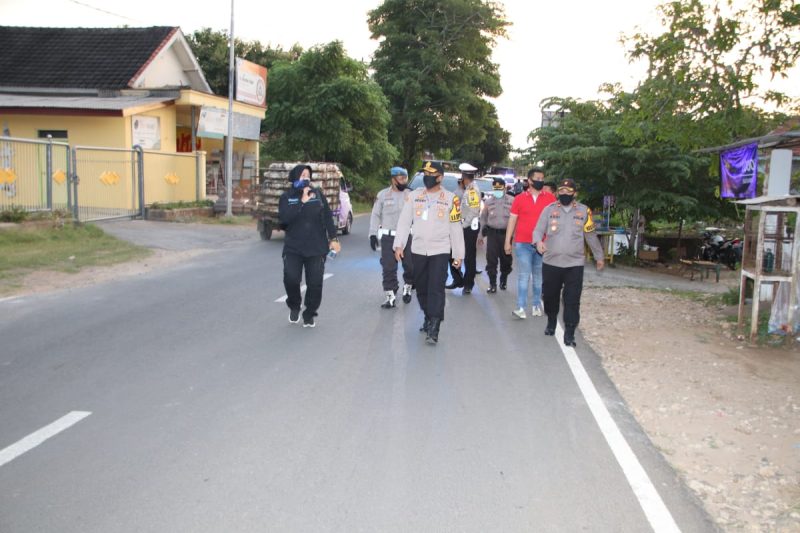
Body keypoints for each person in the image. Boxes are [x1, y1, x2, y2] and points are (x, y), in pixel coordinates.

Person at [394, 161, 465, 345]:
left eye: (431, 175)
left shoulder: (451, 199)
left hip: (440, 250)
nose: (427, 178)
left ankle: (434, 324)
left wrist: (458, 254)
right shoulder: (414, 196)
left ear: (440, 177)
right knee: (422, 288)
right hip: (418, 249)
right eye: (425, 174)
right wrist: (399, 245)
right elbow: (404, 222)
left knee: (436, 287)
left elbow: (455, 227)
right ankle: (427, 315)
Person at [533, 179, 605, 347]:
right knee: (550, 296)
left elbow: (590, 235)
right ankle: (551, 321)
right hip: (551, 262)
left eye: (568, 191)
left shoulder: (584, 211)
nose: (564, 194)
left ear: (575, 193)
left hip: (574, 264)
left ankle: (570, 333)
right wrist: (538, 242)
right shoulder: (549, 210)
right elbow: (538, 230)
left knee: (572, 299)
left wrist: (599, 256)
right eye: (561, 191)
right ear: (558, 192)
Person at [278, 164, 341, 328]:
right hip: (293, 247)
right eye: (302, 175)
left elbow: (327, 217)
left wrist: (333, 238)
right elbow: (284, 220)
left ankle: (309, 313)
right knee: (291, 279)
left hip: (316, 247)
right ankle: (294, 305)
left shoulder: (317, 194)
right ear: (295, 177)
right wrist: (301, 202)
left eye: (308, 175)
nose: (306, 178)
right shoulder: (286, 197)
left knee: (315, 283)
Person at [504, 167, 555, 319]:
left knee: (538, 276)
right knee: (523, 275)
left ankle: (536, 305)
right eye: (537, 179)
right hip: (523, 243)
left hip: (542, 244)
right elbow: (512, 220)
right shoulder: (519, 198)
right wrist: (507, 241)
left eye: (542, 178)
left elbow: (556, 221)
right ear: (529, 181)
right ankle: (521, 307)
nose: (540, 181)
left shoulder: (550, 199)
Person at [369, 166, 414, 308]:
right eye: (401, 179)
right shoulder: (383, 195)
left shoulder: (411, 195)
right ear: (393, 179)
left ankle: (408, 286)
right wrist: (372, 234)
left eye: (405, 178)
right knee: (388, 268)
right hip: (389, 237)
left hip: (407, 237)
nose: (404, 181)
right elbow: (375, 215)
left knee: (410, 266)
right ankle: (390, 295)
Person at [446, 163, 481, 294]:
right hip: (465, 225)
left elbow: (473, 211)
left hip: (469, 227)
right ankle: (459, 279)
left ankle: (467, 284)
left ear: (464, 177)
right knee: (455, 252)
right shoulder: (469, 189)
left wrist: (462, 225)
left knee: (469, 256)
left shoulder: (472, 190)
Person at [479, 177, 514, 293]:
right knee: (491, 260)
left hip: (506, 235)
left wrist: (515, 236)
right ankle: (492, 284)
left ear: (504, 188)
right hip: (492, 234)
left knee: (506, 260)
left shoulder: (512, 201)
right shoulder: (488, 202)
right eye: (495, 188)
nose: (497, 190)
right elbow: (483, 218)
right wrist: (480, 235)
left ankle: (504, 278)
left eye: (500, 188)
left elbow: (516, 219)